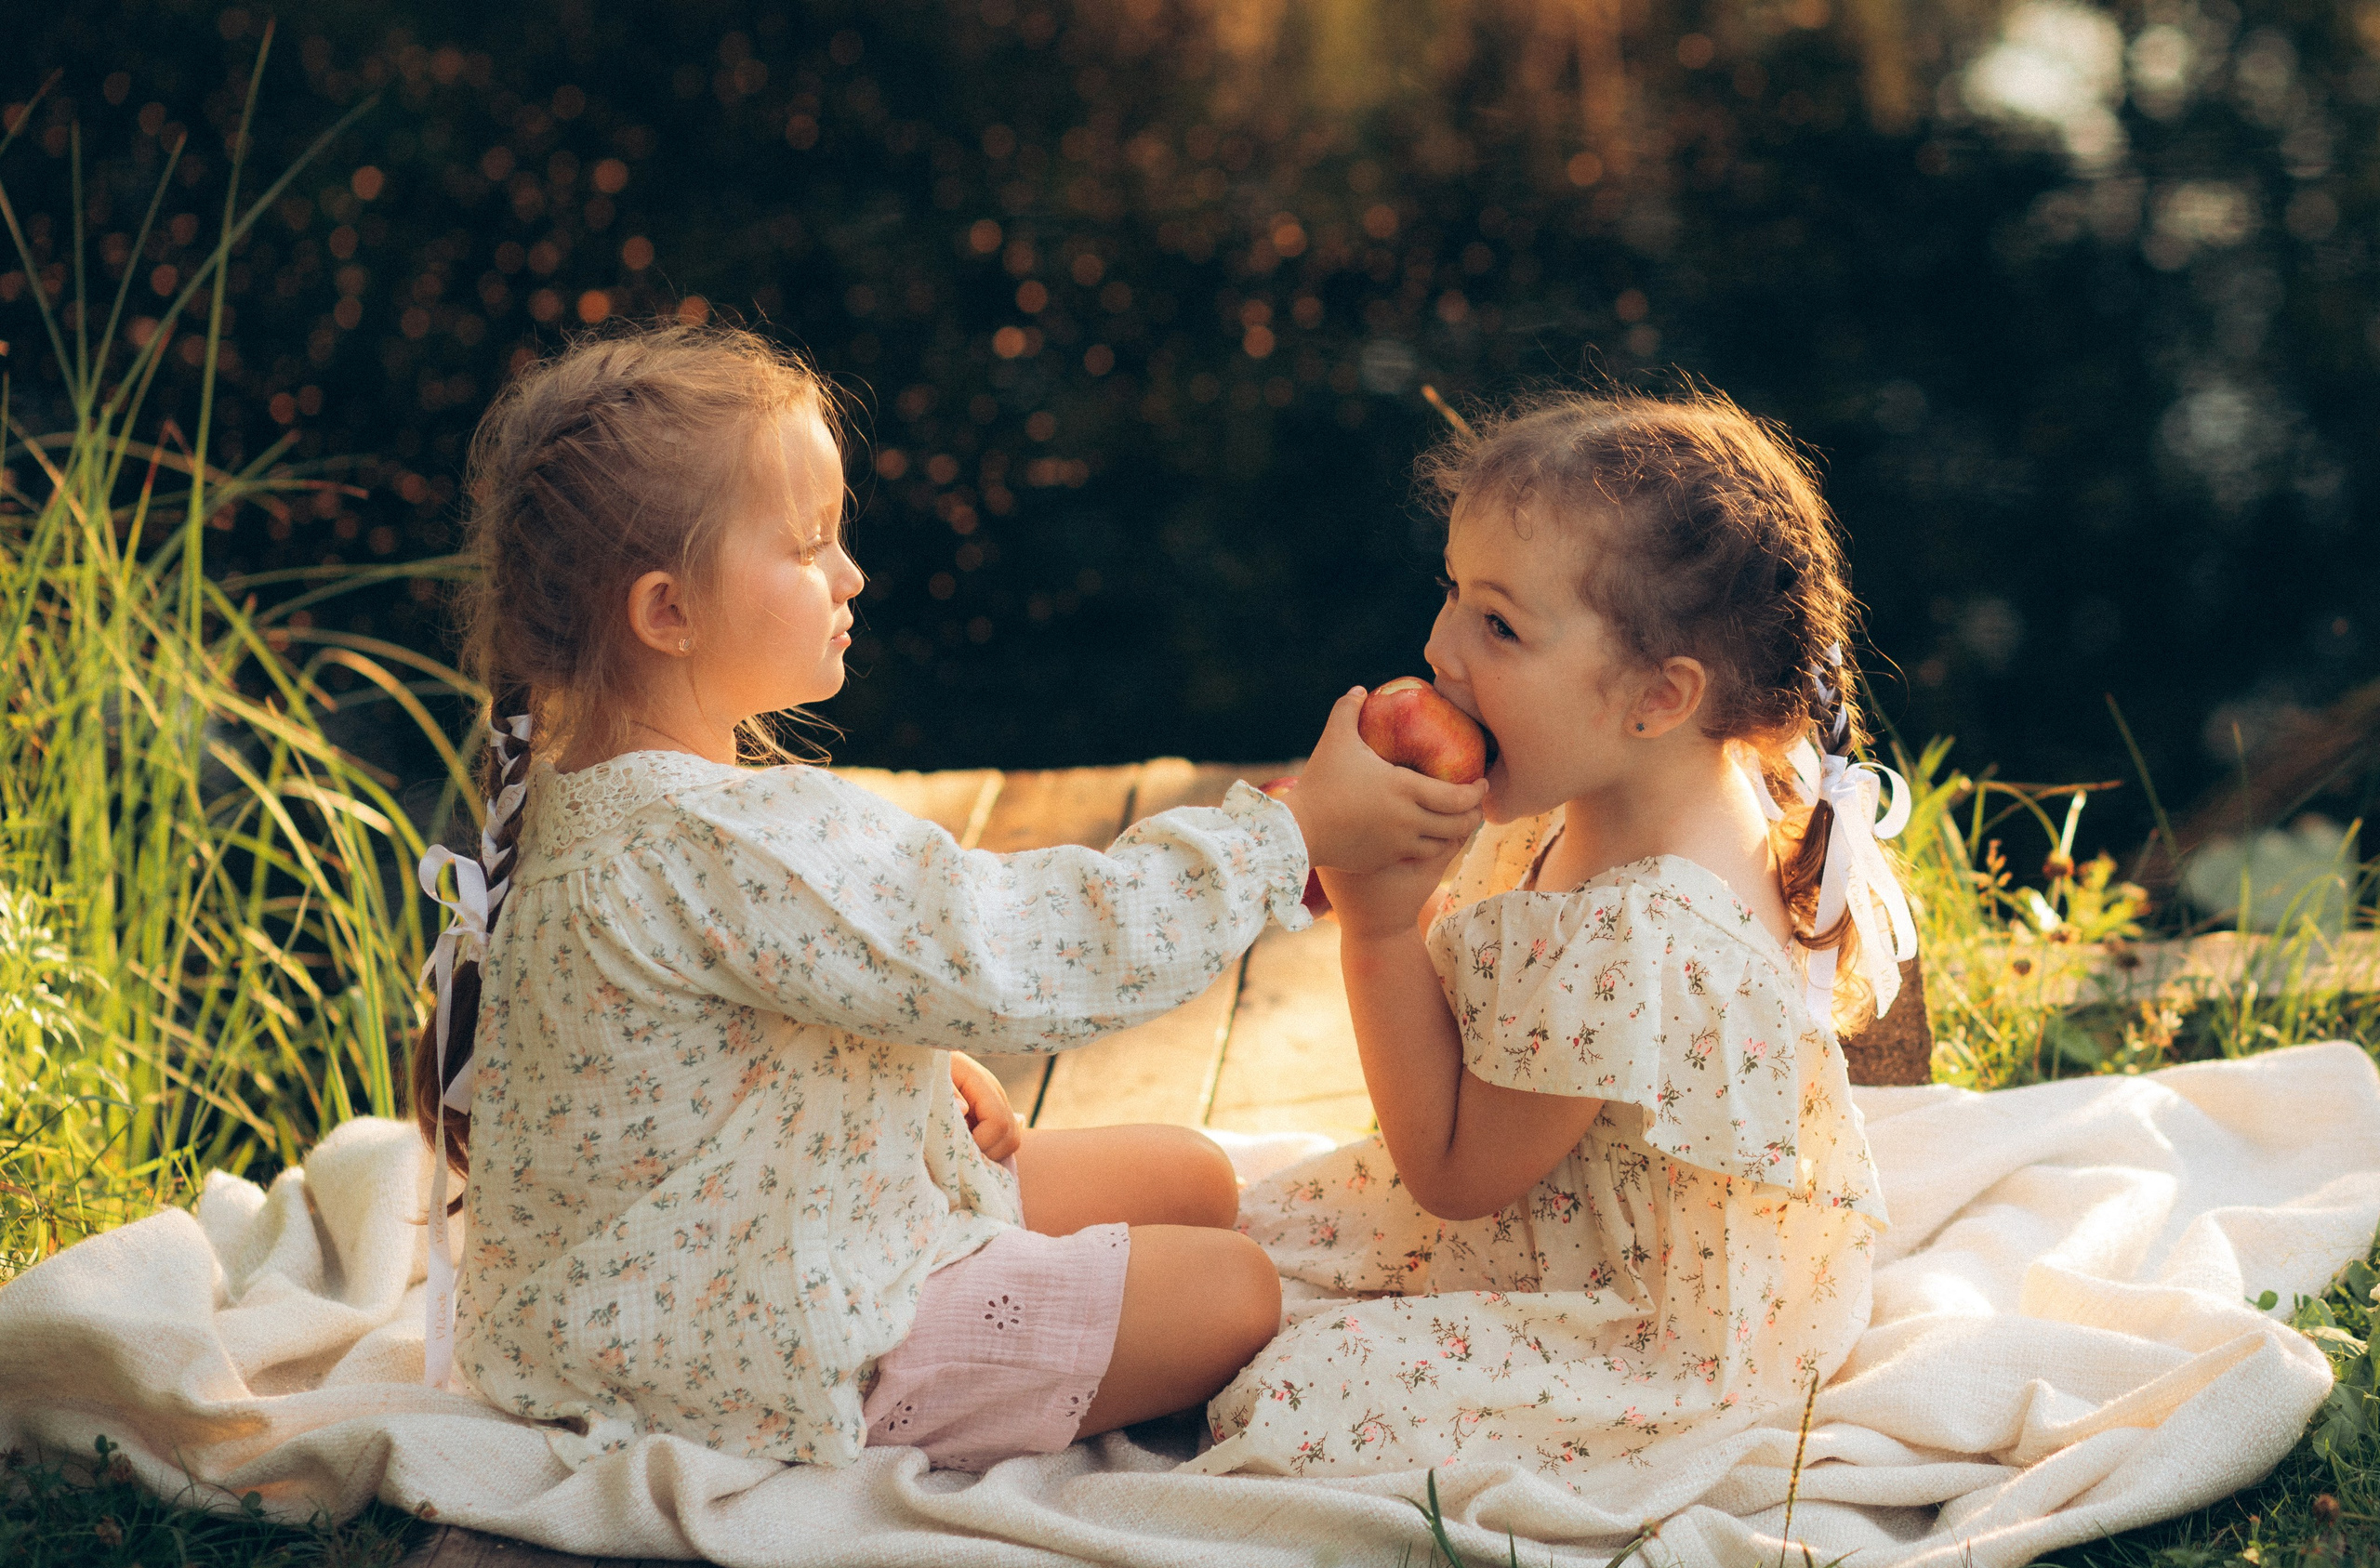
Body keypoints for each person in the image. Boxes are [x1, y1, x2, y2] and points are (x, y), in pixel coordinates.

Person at [406, 323, 1485, 1471]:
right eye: (809, 546)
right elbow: (1024, 953)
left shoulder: (590, 806)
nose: (849, 575)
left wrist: (899, 1067)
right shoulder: (739, 840)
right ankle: (914, 1375)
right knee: (1234, 1290)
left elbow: (697, 1049)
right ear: (667, 612)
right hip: (753, 1343)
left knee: (1197, 1176)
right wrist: (1290, 834)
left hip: (684, 1265)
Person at [1190, 390, 1912, 1483]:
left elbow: (1452, 1172)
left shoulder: (1641, 932)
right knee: (1219, 1222)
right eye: (1451, 595)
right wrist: (1390, 865)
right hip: (1560, 1225)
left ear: (1658, 697)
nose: (1437, 648)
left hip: (1653, 1323)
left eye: (1498, 625)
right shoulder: (1613, 791)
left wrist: (1380, 932)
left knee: (1296, 1393)